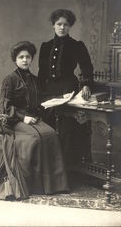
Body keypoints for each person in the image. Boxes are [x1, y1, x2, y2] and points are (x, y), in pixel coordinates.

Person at [0, 41, 69, 201]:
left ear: (31, 59)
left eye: (28, 57)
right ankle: (34, 184)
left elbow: (40, 100)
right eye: (21, 57)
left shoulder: (35, 80)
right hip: (14, 121)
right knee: (35, 138)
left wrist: (55, 101)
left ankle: (52, 185)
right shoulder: (10, 79)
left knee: (51, 134)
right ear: (15, 59)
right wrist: (23, 117)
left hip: (33, 119)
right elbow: (5, 106)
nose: (25, 60)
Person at [38, 9, 94, 171]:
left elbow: (86, 67)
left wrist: (86, 84)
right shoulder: (46, 46)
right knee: (47, 128)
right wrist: (39, 93)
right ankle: (49, 169)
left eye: (66, 25)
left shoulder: (76, 46)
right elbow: (42, 72)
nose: (62, 28)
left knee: (67, 129)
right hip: (48, 90)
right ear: (53, 26)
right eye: (59, 24)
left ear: (70, 27)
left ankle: (67, 169)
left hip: (68, 89)